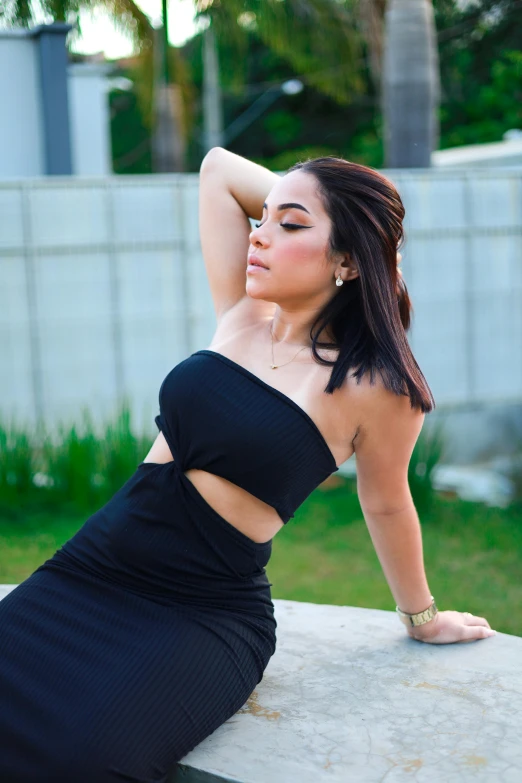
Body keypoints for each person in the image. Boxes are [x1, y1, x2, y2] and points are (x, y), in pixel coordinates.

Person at [0, 148, 495, 782]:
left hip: (199, 615)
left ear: (347, 261)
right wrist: (327, 218)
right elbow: (217, 168)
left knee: (87, 761)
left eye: (290, 225)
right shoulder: (243, 317)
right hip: (90, 571)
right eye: (262, 220)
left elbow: (387, 502)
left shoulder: (376, 387)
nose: (259, 235)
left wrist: (422, 619)